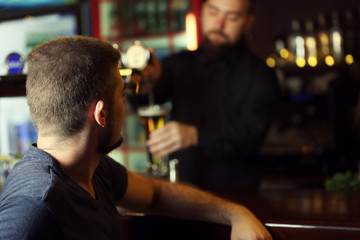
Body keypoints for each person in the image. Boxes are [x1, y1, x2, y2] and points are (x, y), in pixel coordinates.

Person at [0, 36, 271, 240]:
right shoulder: (34, 205)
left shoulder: (92, 168)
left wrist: (235, 213)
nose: (125, 103)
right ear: (101, 115)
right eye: (121, 94)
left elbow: (156, 194)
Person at [136, 0, 280, 188]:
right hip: (181, 191)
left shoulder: (261, 75)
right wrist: (147, 83)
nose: (219, 24)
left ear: (248, 23)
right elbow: (144, 102)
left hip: (238, 195)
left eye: (232, 17)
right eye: (213, 12)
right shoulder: (179, 63)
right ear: (202, 13)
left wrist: (195, 135)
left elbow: (251, 137)